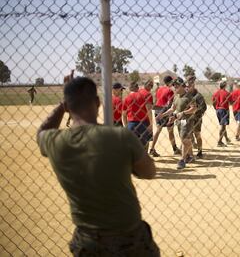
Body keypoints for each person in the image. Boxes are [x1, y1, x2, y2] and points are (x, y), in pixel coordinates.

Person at [36, 76, 159, 256]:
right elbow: (149, 172)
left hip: (88, 240)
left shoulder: (56, 142)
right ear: (98, 102)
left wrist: (63, 106)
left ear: (68, 107)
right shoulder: (121, 137)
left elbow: (41, 132)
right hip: (129, 235)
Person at [157, 77, 197, 169]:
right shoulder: (176, 96)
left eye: (177, 86)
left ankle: (182, 160)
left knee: (184, 140)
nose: (175, 88)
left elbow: (194, 109)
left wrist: (183, 113)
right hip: (179, 121)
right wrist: (162, 115)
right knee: (185, 139)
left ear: (182, 86)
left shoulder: (189, 96)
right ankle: (190, 156)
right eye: (174, 86)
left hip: (187, 121)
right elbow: (172, 109)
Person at [150, 75, 181, 157]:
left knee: (158, 131)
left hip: (157, 111)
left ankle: (152, 148)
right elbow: (169, 104)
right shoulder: (170, 91)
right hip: (165, 112)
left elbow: (157, 100)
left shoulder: (159, 89)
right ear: (170, 82)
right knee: (170, 131)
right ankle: (175, 149)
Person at [122, 81, 153, 150]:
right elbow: (149, 110)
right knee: (144, 143)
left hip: (131, 123)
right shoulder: (143, 96)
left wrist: (126, 125)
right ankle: (145, 158)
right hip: (144, 123)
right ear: (137, 88)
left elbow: (124, 115)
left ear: (130, 88)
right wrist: (151, 124)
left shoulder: (126, 98)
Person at [186, 77, 207, 158]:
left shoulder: (198, 96)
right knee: (187, 135)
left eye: (189, 86)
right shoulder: (185, 95)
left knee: (197, 134)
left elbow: (204, 107)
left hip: (196, 119)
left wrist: (195, 111)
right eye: (187, 86)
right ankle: (188, 153)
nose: (188, 88)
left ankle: (200, 151)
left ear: (193, 86)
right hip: (187, 119)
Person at [212, 81, 232, 146]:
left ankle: (226, 138)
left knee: (223, 125)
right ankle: (219, 142)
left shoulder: (215, 93)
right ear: (225, 86)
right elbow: (231, 102)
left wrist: (216, 108)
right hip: (224, 110)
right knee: (223, 126)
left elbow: (213, 102)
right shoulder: (227, 93)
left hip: (218, 110)